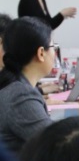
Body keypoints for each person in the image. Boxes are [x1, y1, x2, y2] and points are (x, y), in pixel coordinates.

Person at [0, 17, 54, 151]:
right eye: (54, 47)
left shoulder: (14, 84)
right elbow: (56, 143)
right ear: (41, 53)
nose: (55, 53)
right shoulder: (20, 95)